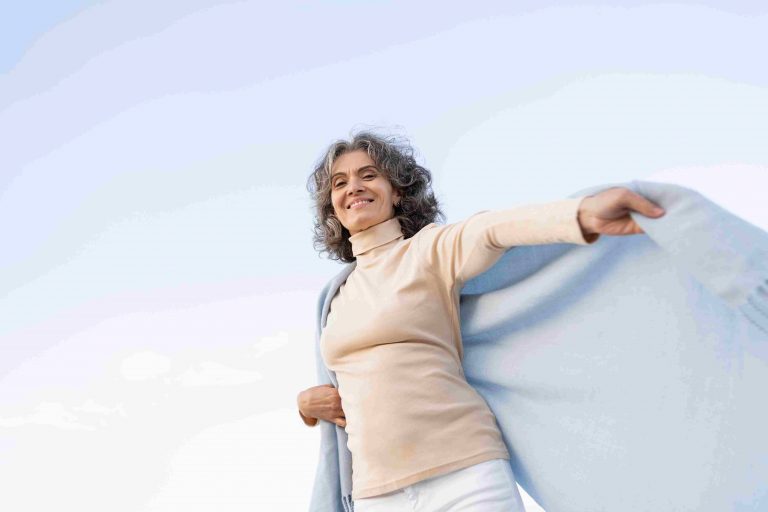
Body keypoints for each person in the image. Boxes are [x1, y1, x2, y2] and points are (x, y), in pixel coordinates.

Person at [297, 130, 665, 511]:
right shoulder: (334, 297)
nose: (354, 187)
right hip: (377, 495)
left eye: (369, 175)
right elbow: (345, 384)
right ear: (333, 208)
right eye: (340, 183)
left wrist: (582, 213)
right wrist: (306, 405)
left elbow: (491, 229)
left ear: (398, 191)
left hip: (466, 478)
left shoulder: (429, 250)